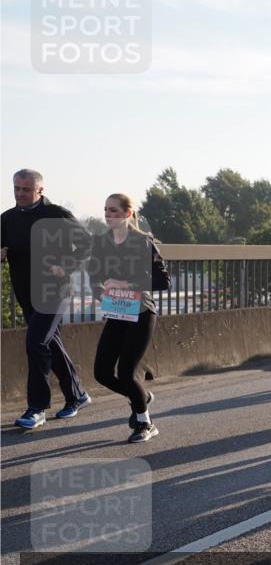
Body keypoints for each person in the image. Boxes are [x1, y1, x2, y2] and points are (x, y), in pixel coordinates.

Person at [1, 169, 92, 430]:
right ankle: (77, 395)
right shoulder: (6, 219)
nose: (19, 193)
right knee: (50, 344)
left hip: (55, 292)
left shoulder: (58, 215)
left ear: (40, 190)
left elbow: (87, 245)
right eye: (16, 188)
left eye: (25, 189)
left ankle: (37, 408)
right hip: (26, 294)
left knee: (36, 342)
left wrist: (67, 265)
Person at [88, 193, 170, 442]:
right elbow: (94, 276)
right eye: (105, 210)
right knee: (101, 372)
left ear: (127, 213)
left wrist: (126, 283)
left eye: (113, 211)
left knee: (126, 371)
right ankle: (141, 396)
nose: (107, 215)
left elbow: (163, 280)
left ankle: (145, 422)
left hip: (141, 312)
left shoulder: (143, 242)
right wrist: (101, 292)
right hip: (116, 311)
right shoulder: (101, 243)